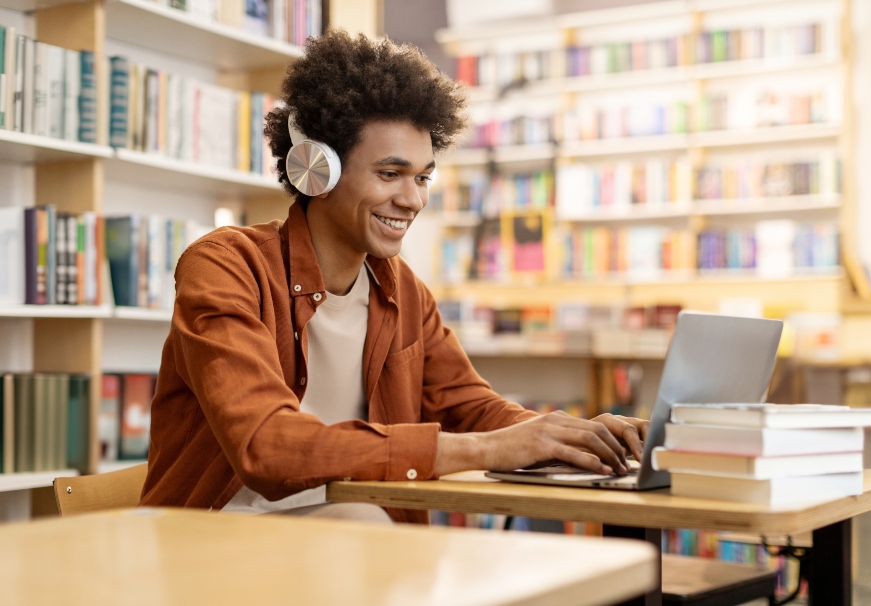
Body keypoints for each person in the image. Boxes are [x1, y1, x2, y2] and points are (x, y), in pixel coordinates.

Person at [139, 30, 648, 523]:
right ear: (318, 169)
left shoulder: (401, 289)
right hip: (213, 540)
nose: (413, 199)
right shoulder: (225, 266)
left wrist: (565, 435)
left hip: (349, 539)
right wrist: (488, 448)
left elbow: (468, 407)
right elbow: (266, 447)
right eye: (390, 174)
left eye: (423, 176)